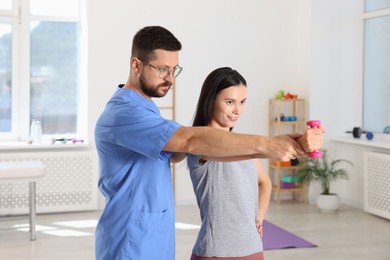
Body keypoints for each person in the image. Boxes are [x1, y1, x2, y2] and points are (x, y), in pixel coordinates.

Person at [94, 25, 324, 260]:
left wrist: (290, 145)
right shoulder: (125, 114)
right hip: (130, 240)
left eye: (174, 70)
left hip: (154, 236)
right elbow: (191, 141)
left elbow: (187, 151)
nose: (170, 78)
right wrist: (269, 145)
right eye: (163, 69)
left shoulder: (148, 112)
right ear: (136, 65)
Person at [188, 67, 271, 260]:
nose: (237, 110)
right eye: (229, 102)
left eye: (242, 102)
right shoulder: (200, 141)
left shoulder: (240, 143)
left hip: (252, 247)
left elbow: (264, 182)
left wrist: (258, 219)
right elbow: (215, 145)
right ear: (211, 99)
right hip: (216, 252)